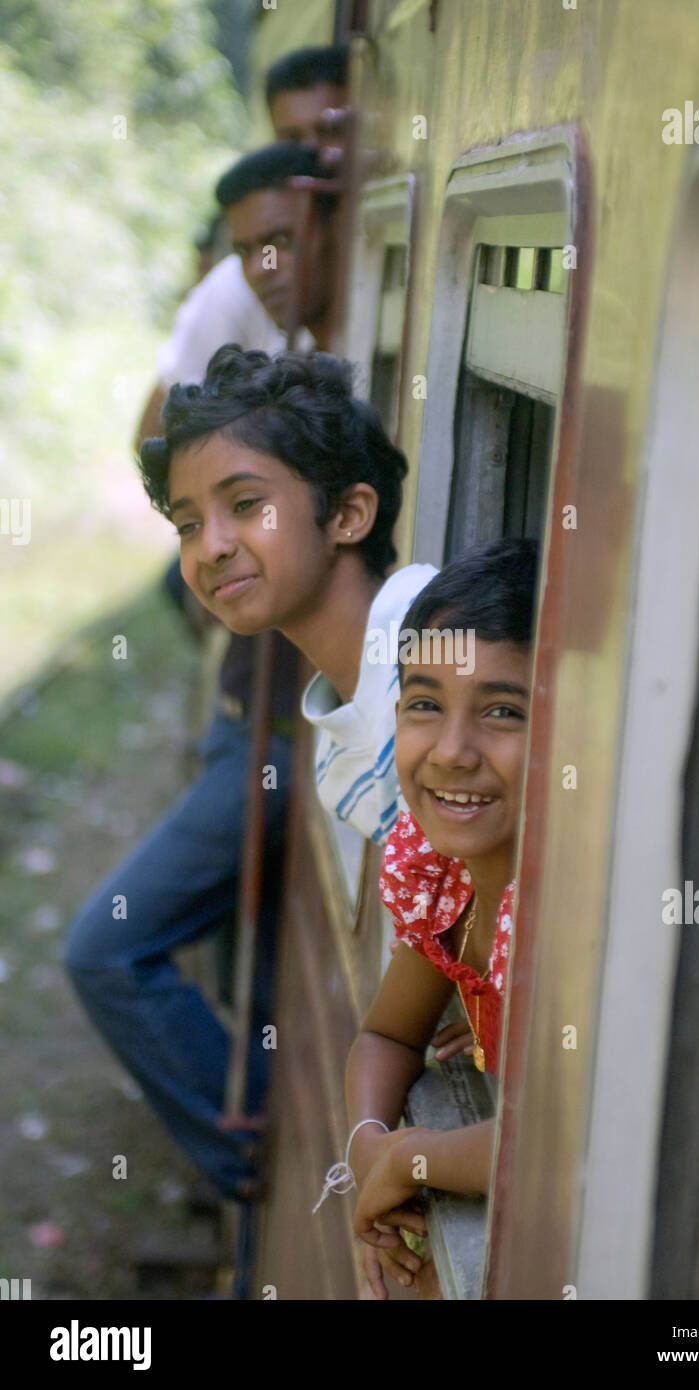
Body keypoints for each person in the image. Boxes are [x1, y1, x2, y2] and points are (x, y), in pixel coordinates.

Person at [63, 146, 340, 1206]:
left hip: (277, 733)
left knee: (106, 949)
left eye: (281, 239)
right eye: (244, 249)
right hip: (255, 721)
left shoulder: (323, 385)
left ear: (328, 214)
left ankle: (251, 1162)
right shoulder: (254, 328)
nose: (263, 266)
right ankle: (261, 1164)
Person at [337, 538, 538, 1299]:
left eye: (503, 712)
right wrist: (371, 1155)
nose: (453, 751)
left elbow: (555, 1145)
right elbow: (385, 1035)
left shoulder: (565, 918)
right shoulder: (448, 878)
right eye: (425, 704)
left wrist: (415, 1157)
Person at [138, 346, 439, 845]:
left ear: (346, 515)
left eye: (246, 504)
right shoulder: (339, 772)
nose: (211, 547)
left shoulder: (439, 640)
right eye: (188, 524)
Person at [134, 43, 348, 449]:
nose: (310, 156)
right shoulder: (232, 286)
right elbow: (156, 433)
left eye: (328, 133)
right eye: (291, 139)